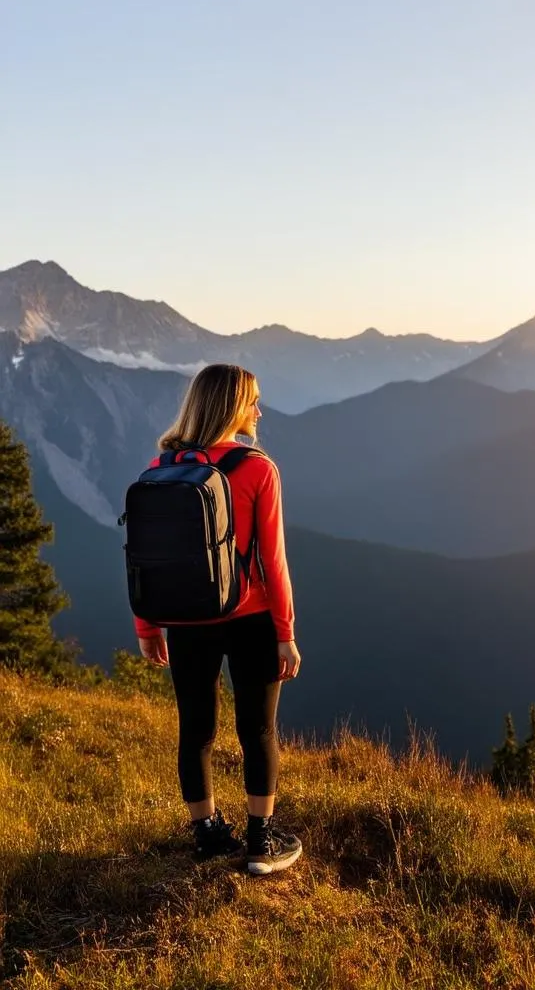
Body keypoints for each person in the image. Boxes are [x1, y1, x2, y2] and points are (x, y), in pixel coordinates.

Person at [135, 363, 303, 875]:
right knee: (258, 730)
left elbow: (145, 553)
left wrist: (148, 625)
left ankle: (207, 836)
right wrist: (286, 634)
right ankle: (260, 844)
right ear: (232, 406)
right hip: (250, 616)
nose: (259, 409)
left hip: (185, 619)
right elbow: (274, 561)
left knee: (196, 731)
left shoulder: (162, 465)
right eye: (252, 400)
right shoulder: (258, 469)